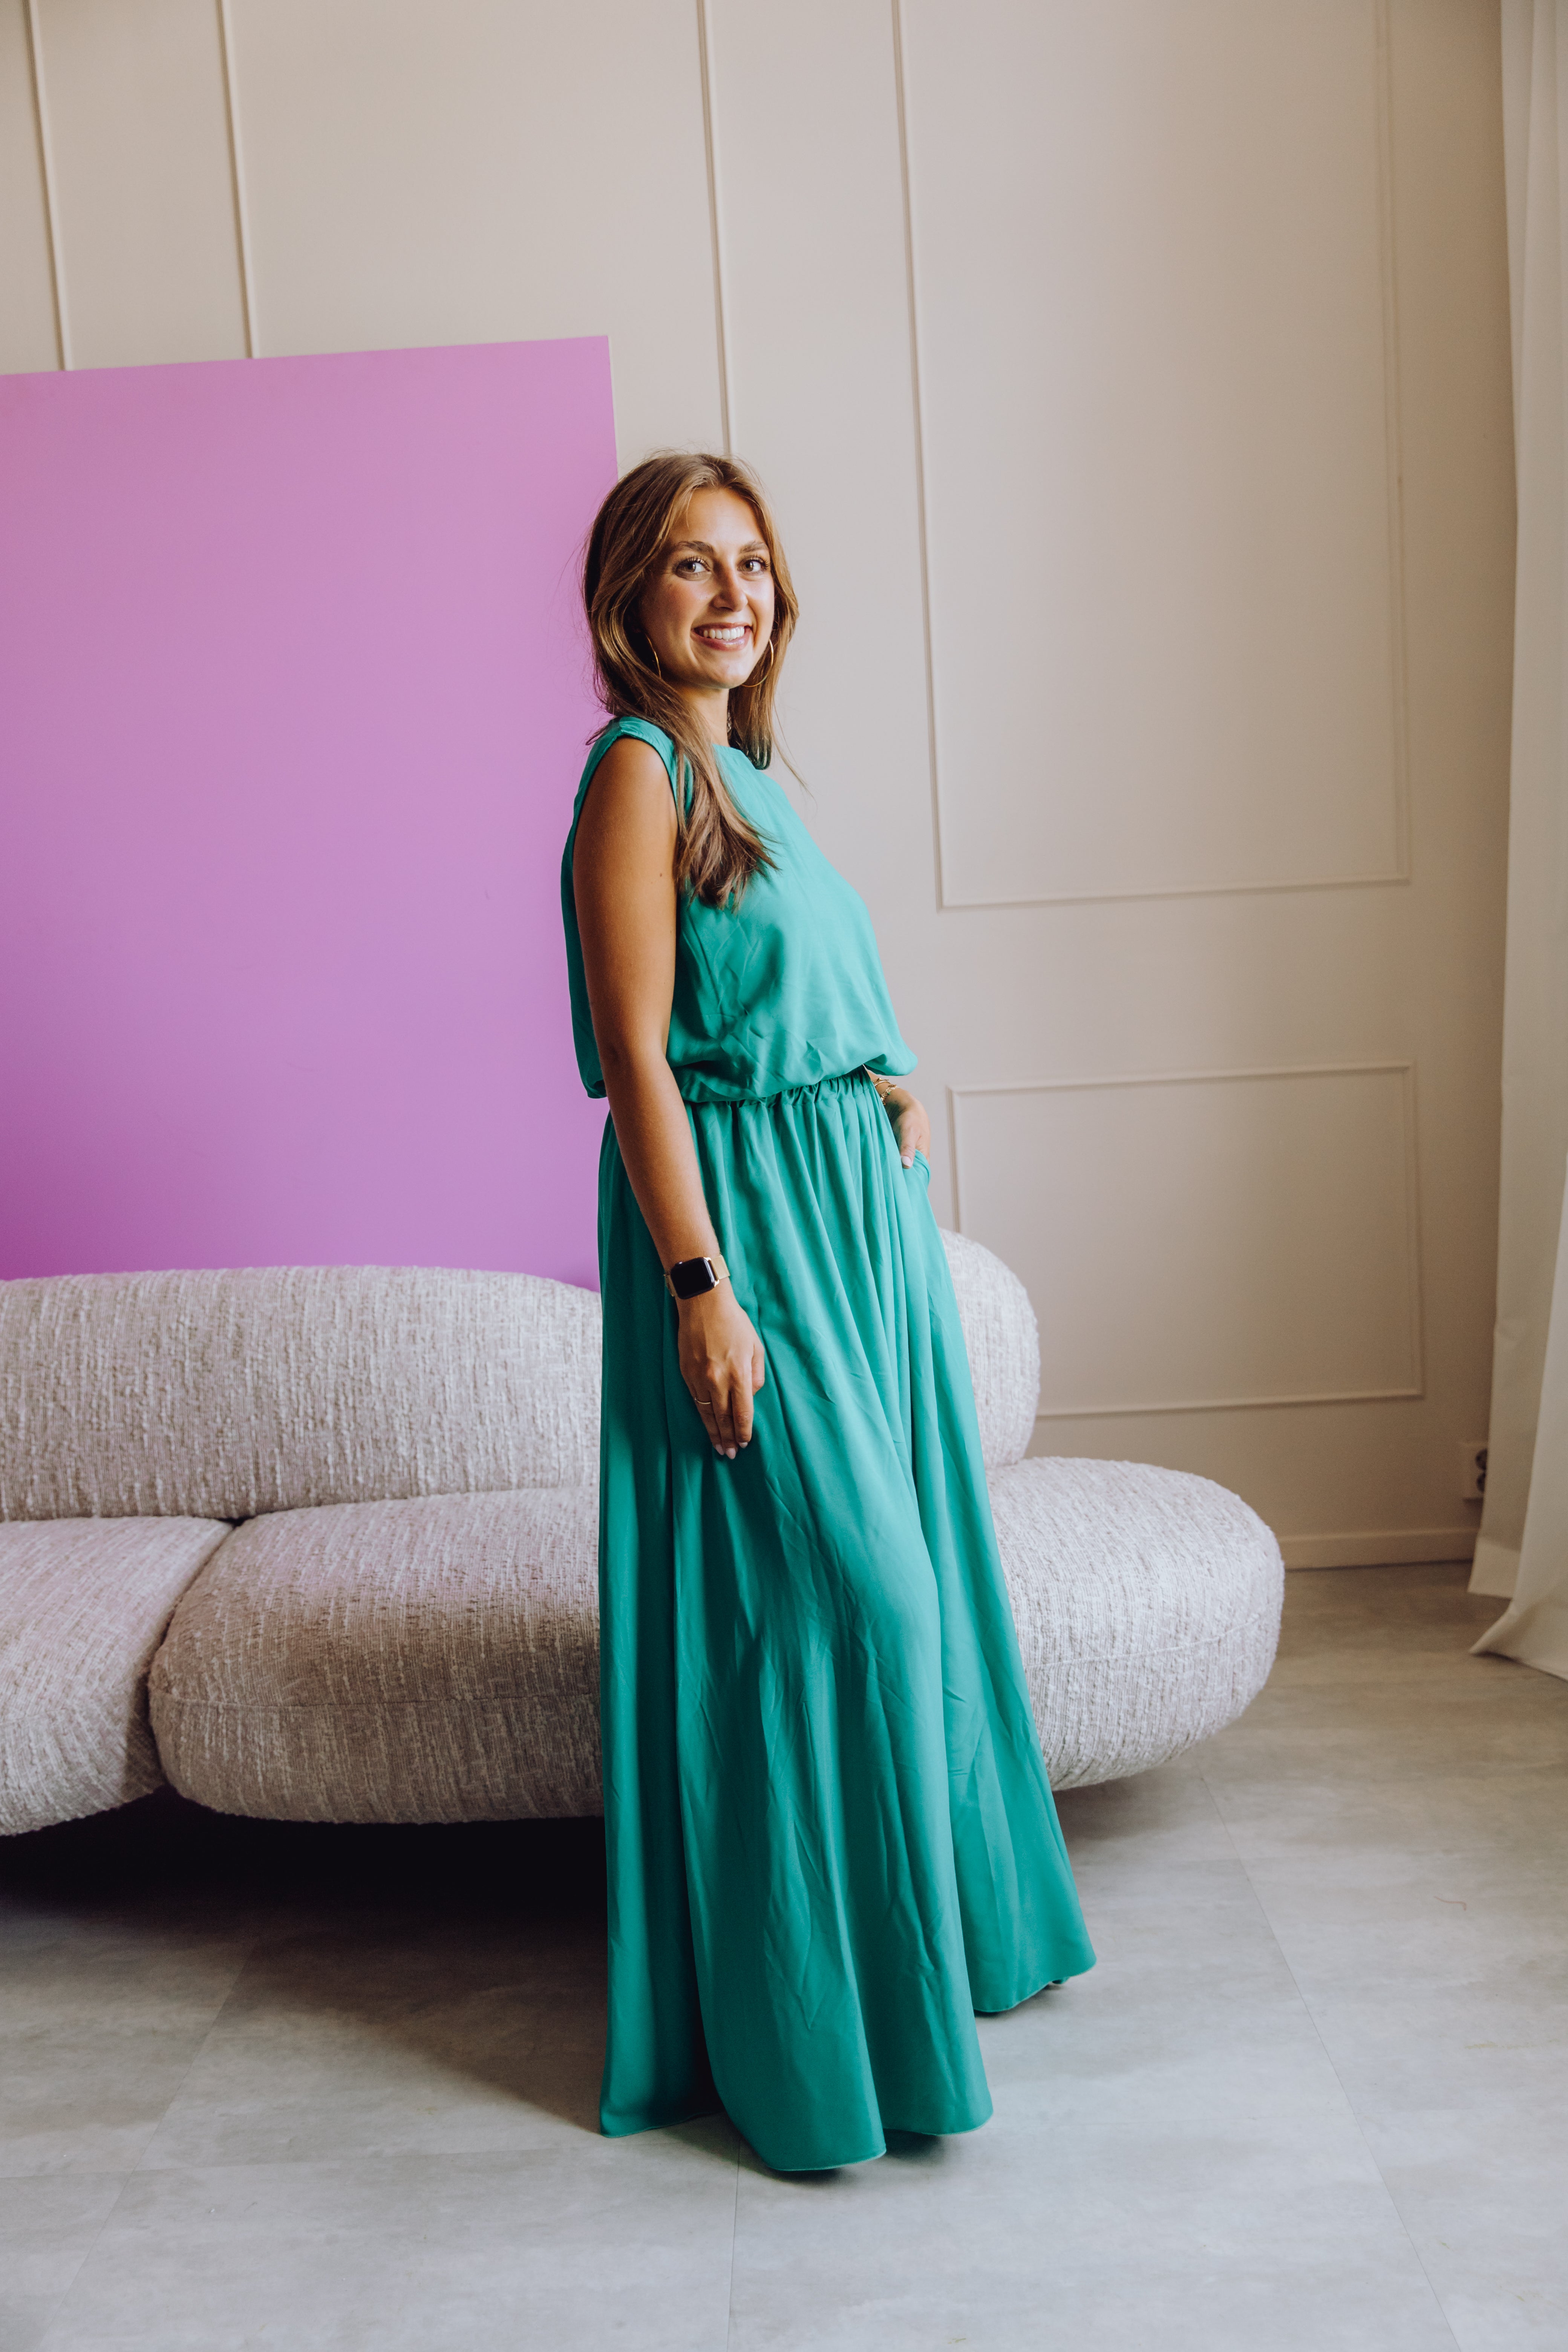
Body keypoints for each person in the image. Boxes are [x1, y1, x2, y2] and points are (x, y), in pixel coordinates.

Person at [560, 452, 1094, 2174]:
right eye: (691, 566)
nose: (733, 594)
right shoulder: (636, 775)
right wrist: (699, 1290)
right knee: (861, 1599)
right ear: (627, 600)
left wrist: (881, 1082)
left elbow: (789, 993)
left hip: (857, 1235)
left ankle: (907, 1970)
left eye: (753, 563)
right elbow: (640, 1061)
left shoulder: (751, 778)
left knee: (916, 1589)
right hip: (750, 1241)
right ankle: (813, 2038)